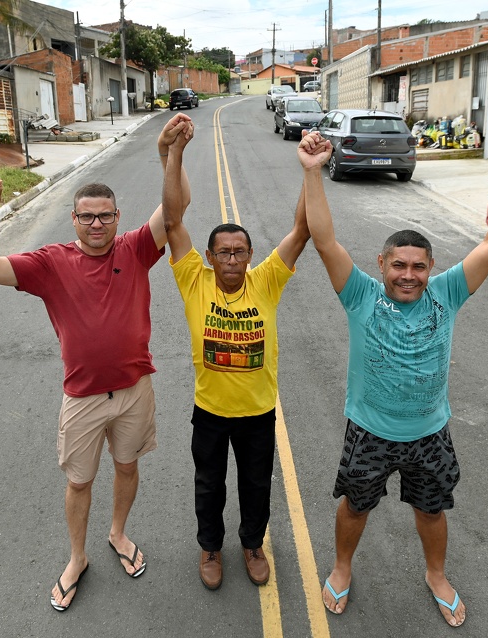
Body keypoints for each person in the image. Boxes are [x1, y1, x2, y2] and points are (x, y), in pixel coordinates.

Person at [298, 130, 488, 626]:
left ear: (432, 267)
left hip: (429, 434)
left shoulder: (449, 293)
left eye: (418, 266)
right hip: (369, 431)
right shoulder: (360, 296)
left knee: (432, 512)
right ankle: (342, 566)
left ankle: (436, 574)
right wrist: (312, 173)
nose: (408, 274)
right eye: (399, 265)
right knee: (355, 505)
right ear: (382, 265)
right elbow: (324, 239)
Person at [0, 113, 195, 612]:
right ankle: (77, 557)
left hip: (135, 390)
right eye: (87, 216)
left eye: (106, 216)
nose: (97, 224)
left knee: (128, 467)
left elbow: (175, 211)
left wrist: (170, 155)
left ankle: (117, 533)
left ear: (118, 217)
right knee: (79, 481)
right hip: (83, 398)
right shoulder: (50, 263)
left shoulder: (136, 249)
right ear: (74, 219)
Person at [161, 124, 328, 590]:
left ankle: (253, 544)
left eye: (239, 252)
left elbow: (302, 230)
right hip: (210, 413)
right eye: (223, 252)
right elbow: (173, 223)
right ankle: (210, 547)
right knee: (208, 485)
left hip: (258, 413)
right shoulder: (193, 280)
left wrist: (310, 172)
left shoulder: (267, 281)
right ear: (210, 257)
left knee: (256, 486)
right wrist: (174, 154)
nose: (232, 259)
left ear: (252, 255)